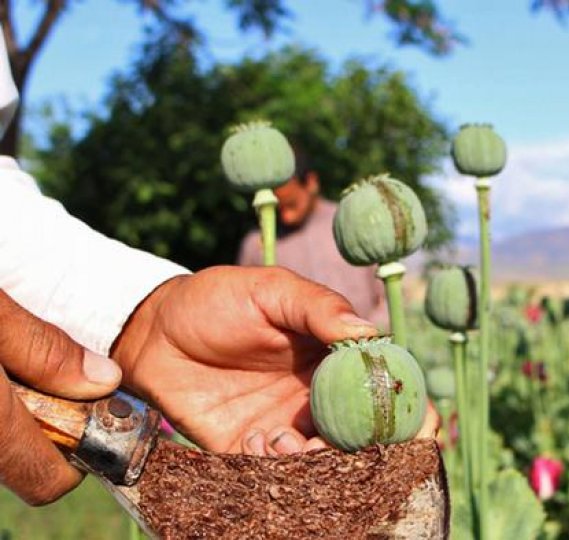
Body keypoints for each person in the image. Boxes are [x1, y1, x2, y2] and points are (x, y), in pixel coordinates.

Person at [0, 37, 434, 505]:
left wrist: (142, 317)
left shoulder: (342, 222)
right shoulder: (254, 242)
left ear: (312, 184)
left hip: (346, 378)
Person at [237, 149, 389, 328]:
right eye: (279, 208)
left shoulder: (353, 221)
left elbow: (388, 296)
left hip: (367, 344)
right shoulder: (255, 244)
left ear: (311, 182)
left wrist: (371, 335)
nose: (286, 217)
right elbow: (245, 310)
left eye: (292, 204)